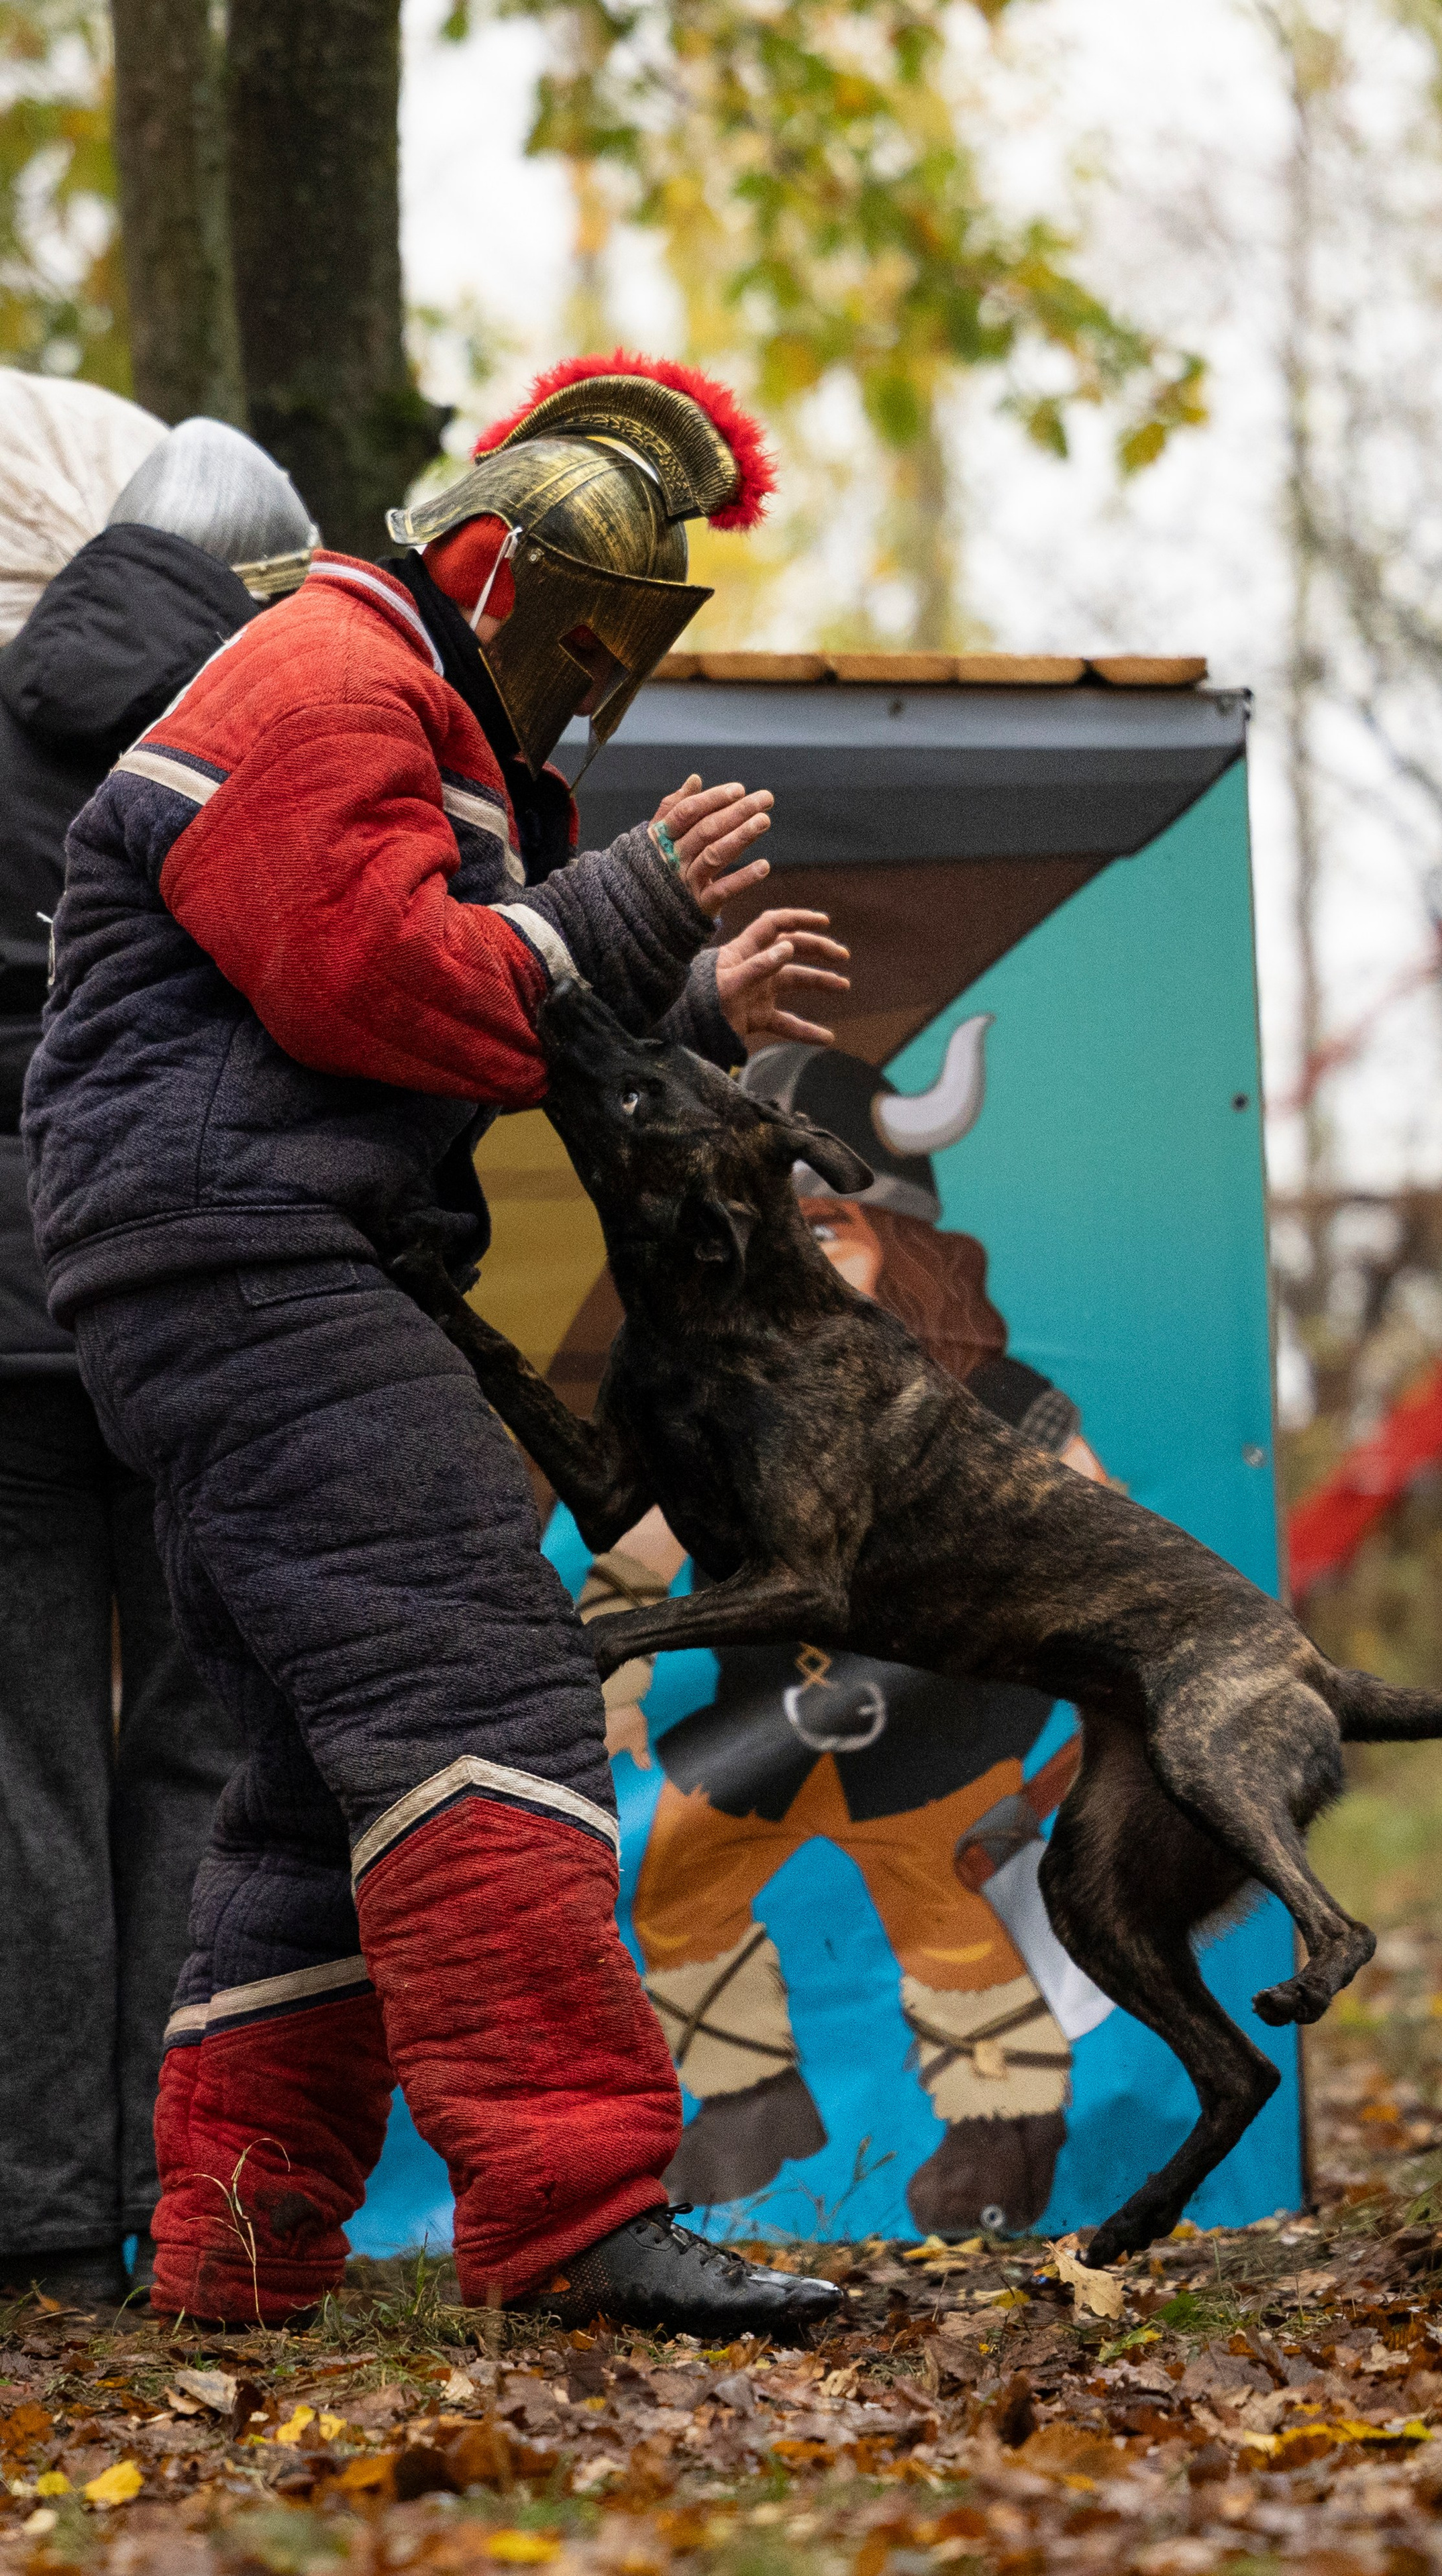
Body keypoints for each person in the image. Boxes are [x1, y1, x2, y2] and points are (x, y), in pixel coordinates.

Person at [23, 354, 850, 2339]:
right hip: (247, 1260)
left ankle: (238, 2257)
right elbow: (371, 981)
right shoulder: (325, 674)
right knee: (479, 1679)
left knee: (318, 1789)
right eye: (581, 628)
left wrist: (688, 986)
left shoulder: (396, 690)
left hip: (223, 1260)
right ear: (493, 567)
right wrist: (636, 902)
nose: (593, 675)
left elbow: (501, 1000)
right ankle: (577, 2219)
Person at [579, 1026, 1115, 2237]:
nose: (793, 1265)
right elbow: (639, 1556)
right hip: (747, 1739)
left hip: (936, 1757)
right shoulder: (716, 1401)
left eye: (825, 1234)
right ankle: (750, 2105)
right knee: (673, 1901)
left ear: (903, 1245)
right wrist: (613, 1681)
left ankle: (997, 2140)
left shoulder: (997, 1404)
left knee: (960, 1944)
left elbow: (1109, 1551)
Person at [0, 414, 320, 2309]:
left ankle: (33, 2220)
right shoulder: (254, 741)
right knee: (207, 1753)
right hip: (190, 1295)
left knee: (16, 1760)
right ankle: (165, 2212)